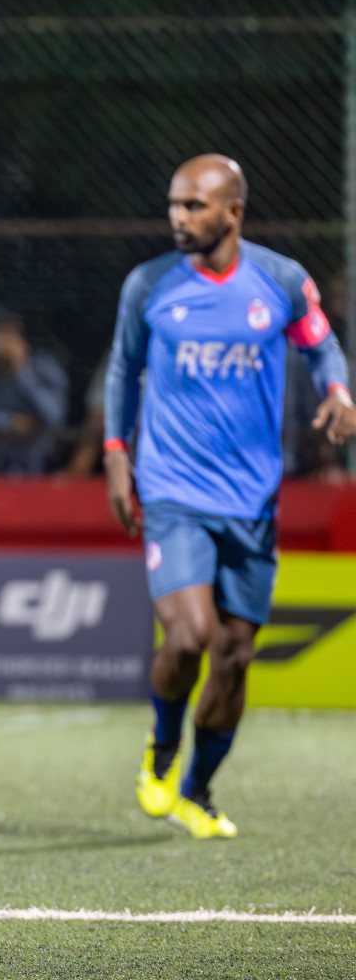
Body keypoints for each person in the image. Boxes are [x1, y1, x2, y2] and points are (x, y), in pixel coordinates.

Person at [107, 155, 355, 839]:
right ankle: (160, 752)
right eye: (174, 205)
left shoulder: (279, 281)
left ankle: (198, 790)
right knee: (189, 637)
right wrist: (116, 457)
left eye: (194, 206)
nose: (179, 218)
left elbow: (322, 347)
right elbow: (123, 371)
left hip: (252, 501)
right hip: (173, 492)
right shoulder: (149, 285)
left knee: (237, 655)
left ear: (233, 211)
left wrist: (337, 391)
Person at [0, 309, 69, 473]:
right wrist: (8, 422)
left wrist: (20, 370)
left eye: (9, 334)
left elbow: (55, 417)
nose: (2, 342)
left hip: (40, 470)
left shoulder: (44, 367)